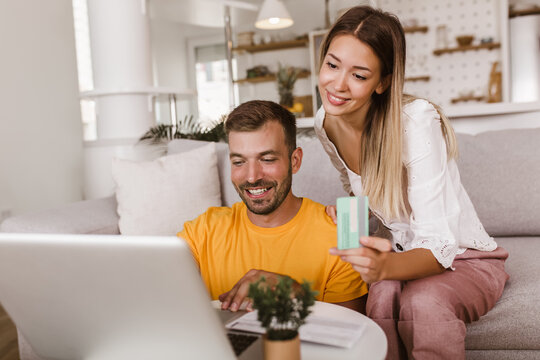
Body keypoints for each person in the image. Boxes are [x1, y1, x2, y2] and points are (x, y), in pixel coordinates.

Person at [314, 6, 509, 360]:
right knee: (382, 297)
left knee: (423, 302)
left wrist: (384, 267)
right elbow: (354, 183)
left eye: (359, 75)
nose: (337, 85)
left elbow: (439, 246)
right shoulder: (325, 121)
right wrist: (349, 215)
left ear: (383, 82)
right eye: (332, 64)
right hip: (404, 253)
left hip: (465, 258)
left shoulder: (415, 122)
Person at [178, 100, 367, 313]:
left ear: (294, 161)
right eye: (239, 162)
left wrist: (296, 293)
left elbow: (350, 331)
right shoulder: (202, 231)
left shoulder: (338, 234)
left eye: (267, 159)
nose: (251, 177)